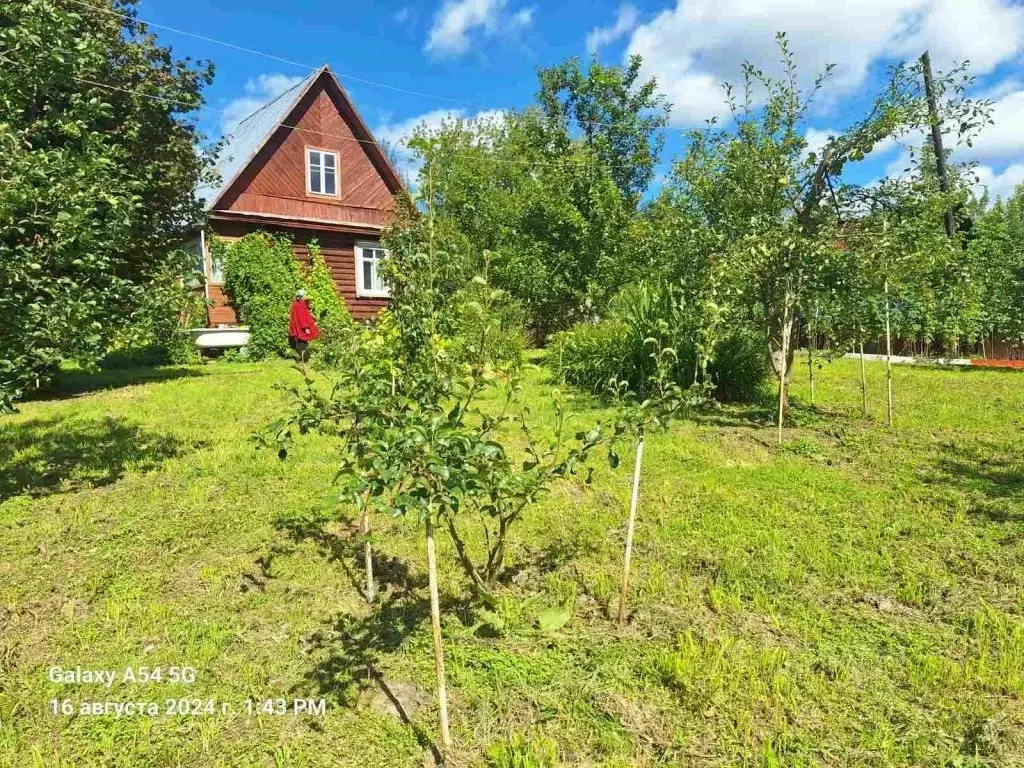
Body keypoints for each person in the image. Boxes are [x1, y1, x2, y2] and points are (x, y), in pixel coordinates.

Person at [288, 289, 319, 361]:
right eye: (304, 295)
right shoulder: (300, 305)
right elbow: (302, 317)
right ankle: (304, 358)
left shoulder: (295, 303)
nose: (306, 296)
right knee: (302, 343)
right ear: (301, 296)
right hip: (301, 328)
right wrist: (306, 328)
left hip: (297, 327)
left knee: (299, 343)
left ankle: (302, 358)